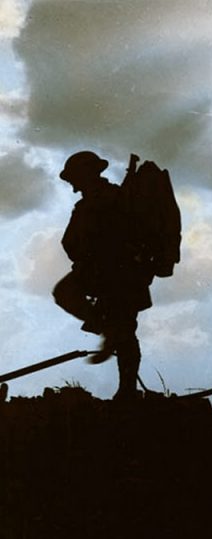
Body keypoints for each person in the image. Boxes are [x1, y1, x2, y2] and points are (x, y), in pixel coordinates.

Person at [53, 151, 153, 400]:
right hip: (101, 273)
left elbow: (123, 236)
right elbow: (71, 241)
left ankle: (127, 389)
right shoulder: (92, 202)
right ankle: (109, 332)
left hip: (119, 275)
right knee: (121, 328)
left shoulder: (111, 199)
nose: (72, 184)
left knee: (125, 329)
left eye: (74, 177)